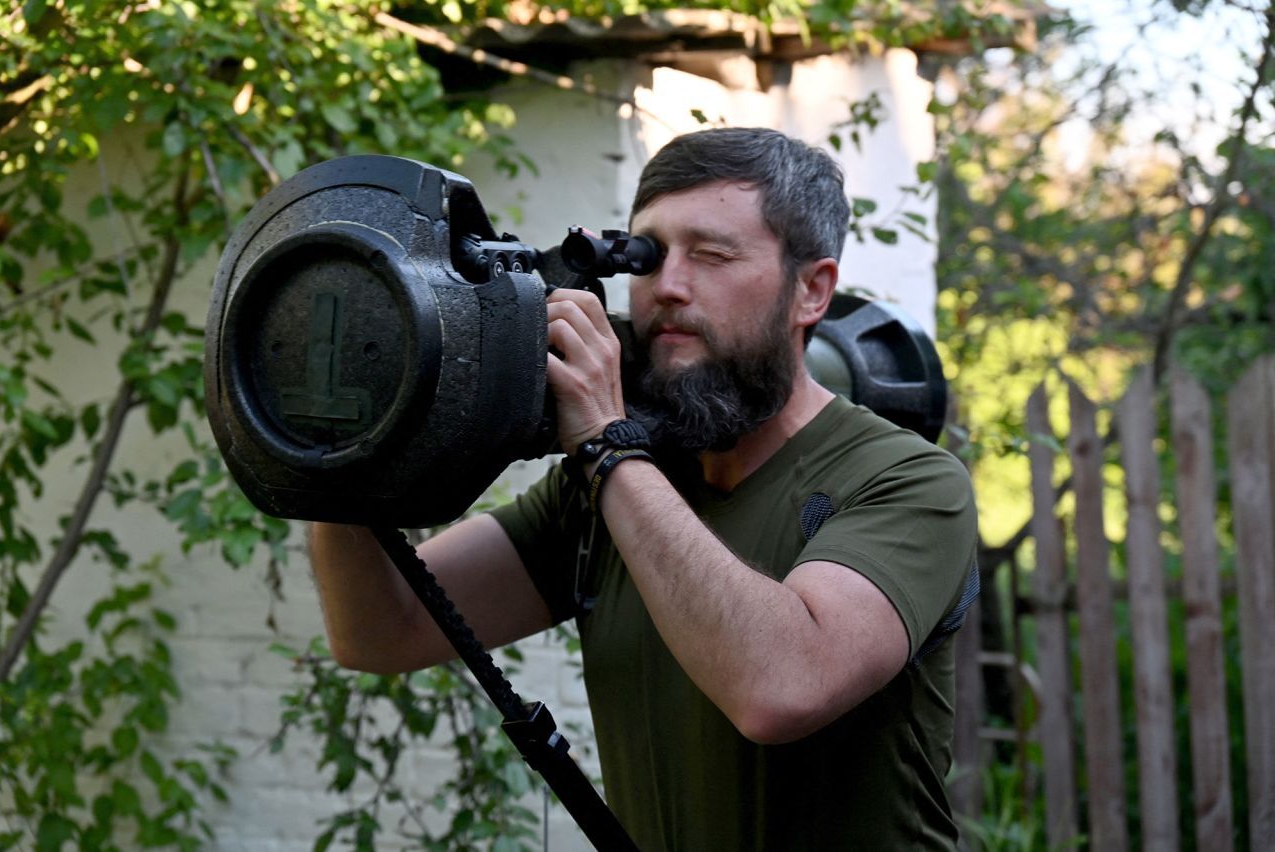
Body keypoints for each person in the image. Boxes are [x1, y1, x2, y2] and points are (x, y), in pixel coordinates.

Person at [308, 127, 978, 849]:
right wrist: (346, 445)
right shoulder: (615, 488)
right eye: (649, 255)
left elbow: (780, 687)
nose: (668, 287)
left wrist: (605, 442)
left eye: (713, 256)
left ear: (810, 291)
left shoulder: (908, 482)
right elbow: (384, 628)